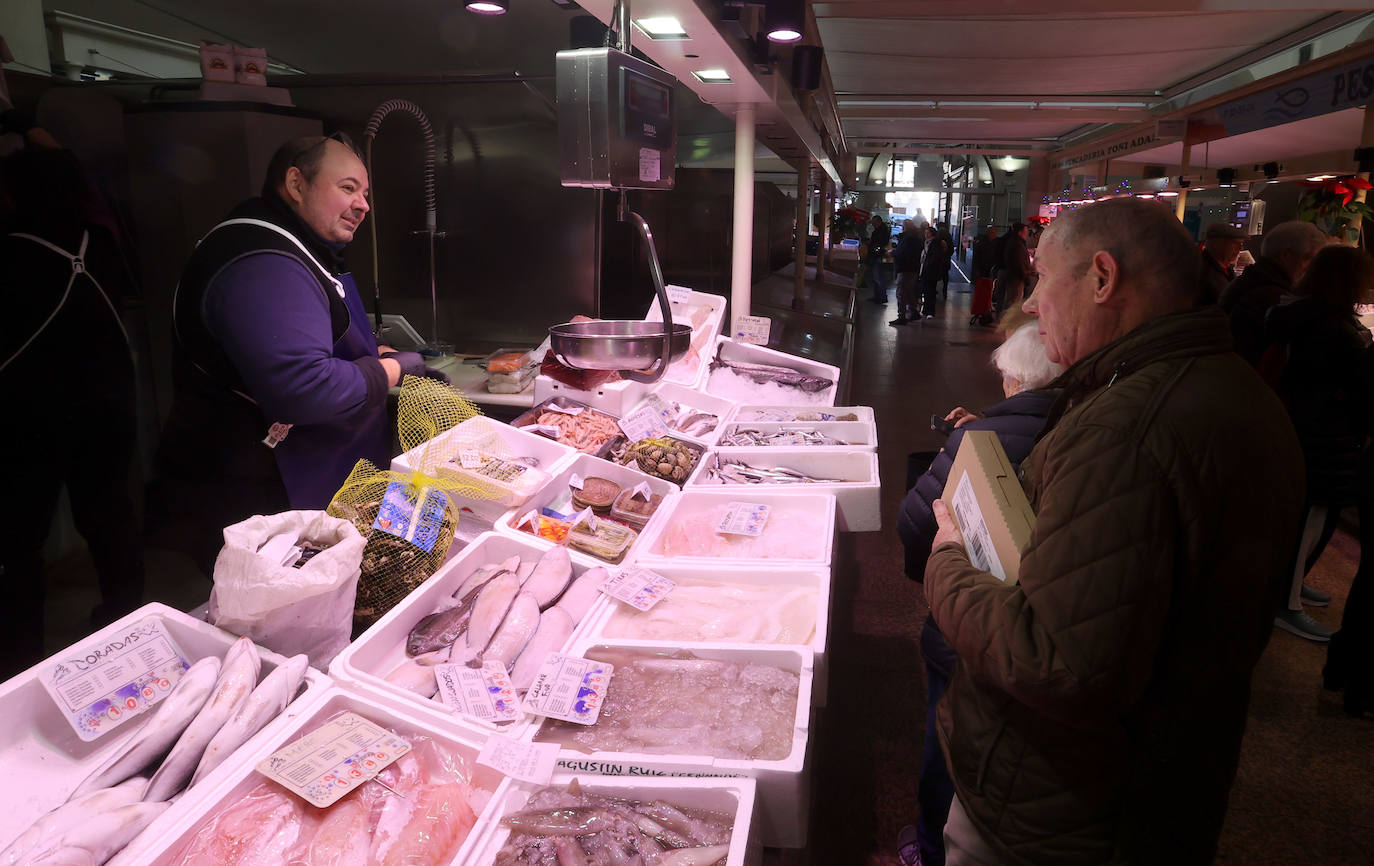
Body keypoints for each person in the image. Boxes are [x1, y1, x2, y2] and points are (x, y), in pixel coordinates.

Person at [926, 197, 1305, 865]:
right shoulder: (1232, 388)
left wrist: (949, 558)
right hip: (1161, 787)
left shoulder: (1127, 428)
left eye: (1043, 277)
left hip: (1062, 812)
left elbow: (1057, 664)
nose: (1035, 301)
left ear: (1102, 278)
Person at [151, 134, 445, 573]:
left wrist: (369, 352)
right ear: (296, 182)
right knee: (275, 622)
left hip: (309, 478)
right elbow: (304, 388)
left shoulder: (297, 246)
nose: (363, 205)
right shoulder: (263, 260)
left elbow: (303, 344)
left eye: (365, 194)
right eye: (347, 188)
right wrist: (390, 368)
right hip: (262, 490)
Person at [895, 309, 1062, 866]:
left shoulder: (983, 437)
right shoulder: (1080, 422)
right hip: (1038, 632)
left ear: (1015, 379)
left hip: (972, 620)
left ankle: (927, 846)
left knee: (949, 741)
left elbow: (916, 521)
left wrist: (937, 564)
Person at [0, 128, 145, 677]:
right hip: (106, 405)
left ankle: (18, 658)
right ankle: (125, 623)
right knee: (110, 520)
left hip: (26, 415)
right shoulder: (100, 243)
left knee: (18, 542)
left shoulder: (10, 250)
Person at [1264, 245, 1374, 642]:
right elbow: (1349, 387)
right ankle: (1285, 601)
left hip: (1303, 428)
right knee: (1309, 517)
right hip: (1323, 434)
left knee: (1307, 518)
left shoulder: (1299, 313)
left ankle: (1293, 584)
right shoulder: (1333, 326)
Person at [1218, 220, 1329, 365]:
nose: (1311, 269)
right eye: (1308, 259)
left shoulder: (1252, 281)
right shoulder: (1273, 299)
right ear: (1286, 255)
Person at [1198, 221, 1247, 303]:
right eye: (1235, 243)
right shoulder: (1201, 270)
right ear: (1217, 244)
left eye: (1241, 243)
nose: (1240, 248)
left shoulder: (1226, 268)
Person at [991, 220, 1030, 316]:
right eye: (1026, 232)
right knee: (1013, 299)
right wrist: (1025, 276)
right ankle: (1007, 322)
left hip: (1002, 270)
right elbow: (1018, 262)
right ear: (1020, 232)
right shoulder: (1017, 243)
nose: (1027, 234)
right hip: (1014, 275)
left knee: (1002, 297)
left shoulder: (1005, 239)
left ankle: (999, 317)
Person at [891, 218, 925, 325]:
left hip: (905, 269)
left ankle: (902, 316)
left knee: (901, 292)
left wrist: (893, 253)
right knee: (910, 292)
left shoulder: (907, 239)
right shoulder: (917, 238)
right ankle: (913, 312)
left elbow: (901, 253)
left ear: (904, 227)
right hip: (914, 269)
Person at [916, 225, 944, 320]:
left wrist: (927, 263)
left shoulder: (934, 244)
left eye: (927, 233)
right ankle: (927, 310)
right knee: (928, 291)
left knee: (929, 291)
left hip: (930, 270)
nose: (925, 234)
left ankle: (929, 311)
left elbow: (935, 257)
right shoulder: (926, 243)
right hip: (926, 269)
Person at [866, 214, 892, 304]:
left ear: (878, 222)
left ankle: (881, 296)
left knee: (878, 277)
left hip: (877, 256)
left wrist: (873, 247)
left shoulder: (881, 231)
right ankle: (878, 296)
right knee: (877, 277)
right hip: (877, 255)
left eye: (874, 223)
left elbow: (879, 243)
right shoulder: (881, 230)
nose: (873, 224)